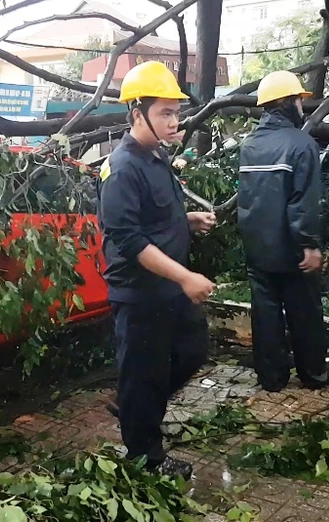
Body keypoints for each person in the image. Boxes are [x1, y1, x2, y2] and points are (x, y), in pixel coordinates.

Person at [96, 61, 217, 480]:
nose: (174, 121)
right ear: (136, 115)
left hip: (167, 291)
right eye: (165, 112)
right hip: (140, 295)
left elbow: (156, 216)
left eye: (176, 113)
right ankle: (145, 457)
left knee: (192, 349)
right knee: (145, 373)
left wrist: (187, 221)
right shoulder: (122, 167)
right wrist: (185, 277)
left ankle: (135, 405)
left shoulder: (154, 158)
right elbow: (129, 240)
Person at [236, 70, 329, 393]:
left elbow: (250, 199)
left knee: (266, 315)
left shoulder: (249, 145)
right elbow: (303, 202)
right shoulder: (302, 144)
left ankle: (271, 378)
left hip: (257, 248)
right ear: (289, 103)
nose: (302, 106)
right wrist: (309, 244)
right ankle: (313, 374)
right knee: (304, 312)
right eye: (298, 100)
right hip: (291, 249)